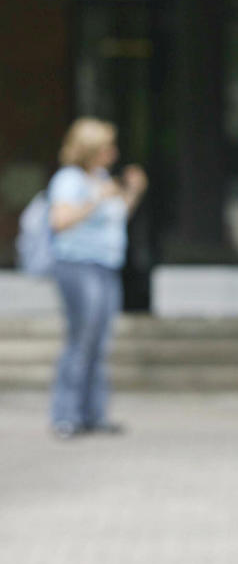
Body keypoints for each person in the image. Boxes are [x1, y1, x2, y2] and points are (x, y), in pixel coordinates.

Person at [48, 117, 148, 439]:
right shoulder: (69, 179)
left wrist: (132, 192)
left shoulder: (101, 177)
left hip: (106, 265)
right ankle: (65, 415)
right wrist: (97, 199)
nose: (113, 152)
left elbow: (115, 220)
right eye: (107, 146)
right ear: (91, 149)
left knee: (100, 342)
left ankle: (94, 414)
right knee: (81, 340)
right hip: (79, 266)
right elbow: (60, 221)